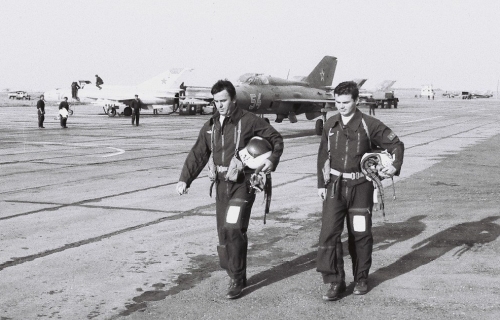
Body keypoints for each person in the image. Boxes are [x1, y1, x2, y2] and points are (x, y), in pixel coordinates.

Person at [176, 80, 284, 299]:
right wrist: (185, 179)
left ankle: (236, 278)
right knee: (224, 231)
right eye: (216, 101)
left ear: (233, 99)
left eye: (223, 100)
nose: (219, 105)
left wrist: (272, 159)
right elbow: (199, 153)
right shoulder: (211, 125)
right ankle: (235, 272)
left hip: (243, 183)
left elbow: (276, 138)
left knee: (234, 227)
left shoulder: (249, 120)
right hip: (221, 184)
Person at [316, 81, 404, 301]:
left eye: (346, 102)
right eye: (337, 102)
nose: (341, 106)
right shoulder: (330, 124)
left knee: (360, 234)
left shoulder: (369, 124)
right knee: (329, 234)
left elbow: (396, 145)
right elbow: (322, 155)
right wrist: (320, 184)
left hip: (361, 187)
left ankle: (361, 278)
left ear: (356, 101)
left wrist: (394, 166)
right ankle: (335, 281)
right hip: (335, 187)